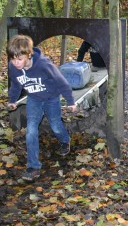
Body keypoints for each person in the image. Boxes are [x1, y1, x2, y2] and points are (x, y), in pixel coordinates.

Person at [7, 35, 77, 181]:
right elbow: (16, 84)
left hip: (52, 98)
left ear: (29, 54)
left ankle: (65, 140)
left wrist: (70, 101)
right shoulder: (13, 67)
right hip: (34, 99)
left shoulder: (44, 65)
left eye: (19, 59)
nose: (16, 63)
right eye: (13, 59)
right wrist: (12, 100)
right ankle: (33, 167)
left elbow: (61, 82)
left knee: (56, 126)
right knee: (30, 130)